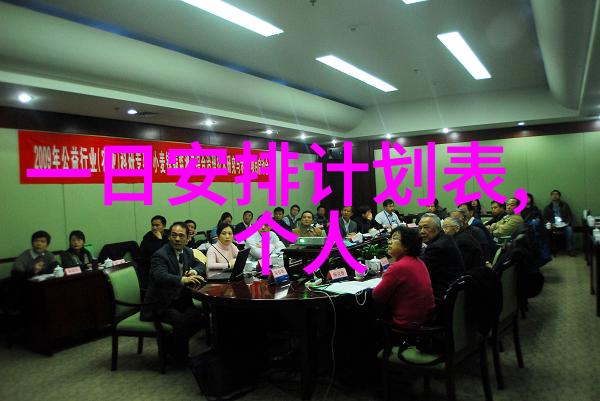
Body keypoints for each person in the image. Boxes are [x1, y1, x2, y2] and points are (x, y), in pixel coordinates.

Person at [141, 222, 205, 362]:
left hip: (180, 300)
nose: (177, 239)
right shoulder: (160, 255)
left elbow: (201, 265)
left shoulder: (187, 252)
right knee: (181, 322)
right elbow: (160, 276)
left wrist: (194, 271)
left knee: (201, 318)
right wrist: (183, 279)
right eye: (174, 235)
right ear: (169, 237)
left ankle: (170, 345)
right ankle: (181, 357)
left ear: (187, 239)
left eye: (181, 236)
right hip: (160, 303)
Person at [372, 226, 435, 328]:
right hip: (425, 318)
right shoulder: (418, 261)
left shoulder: (399, 266)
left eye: (395, 238)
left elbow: (377, 296)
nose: (389, 242)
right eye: (390, 238)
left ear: (407, 245)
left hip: (406, 322)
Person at [418, 214, 465, 300]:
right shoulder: (445, 238)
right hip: (451, 290)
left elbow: (418, 269)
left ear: (437, 228)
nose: (422, 231)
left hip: (442, 296)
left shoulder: (437, 247)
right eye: (420, 228)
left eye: (426, 227)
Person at [542, 189, 576, 256]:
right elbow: (545, 218)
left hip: (564, 225)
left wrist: (568, 223)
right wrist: (551, 224)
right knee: (545, 231)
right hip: (553, 226)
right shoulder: (548, 207)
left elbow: (570, 215)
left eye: (556, 194)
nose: (555, 196)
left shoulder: (565, 205)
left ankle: (570, 249)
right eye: (553, 194)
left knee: (569, 230)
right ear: (551, 196)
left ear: (559, 196)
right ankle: (550, 250)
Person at [139, 215, 169, 290]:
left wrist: (160, 239)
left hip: (168, 265)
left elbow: (168, 254)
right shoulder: (147, 236)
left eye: (157, 225)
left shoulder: (169, 235)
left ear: (164, 226)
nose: (154, 228)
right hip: (151, 266)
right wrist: (159, 240)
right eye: (153, 225)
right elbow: (155, 255)